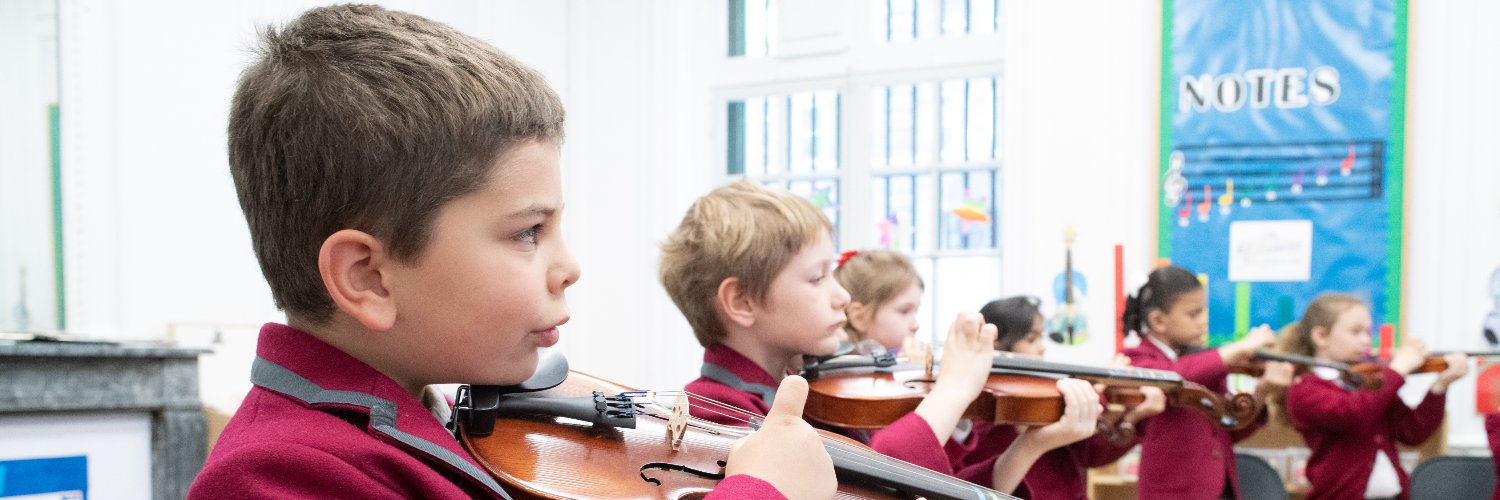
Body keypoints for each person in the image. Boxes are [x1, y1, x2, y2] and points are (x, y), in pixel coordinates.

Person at [189, 5, 832, 498]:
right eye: (528, 232)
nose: (570, 267)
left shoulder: (436, 415)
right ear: (368, 277)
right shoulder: (275, 475)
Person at [660, 190, 1102, 494]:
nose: (843, 295)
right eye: (817, 278)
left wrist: (1031, 444)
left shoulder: (814, 394)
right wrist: (950, 392)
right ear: (741, 301)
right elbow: (881, 484)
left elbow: (926, 492)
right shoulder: (713, 414)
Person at [943, 296, 1167, 499]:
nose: (1041, 348)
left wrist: (1130, 419)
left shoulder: (1043, 393)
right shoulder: (989, 408)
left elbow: (1089, 454)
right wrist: (1096, 392)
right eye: (1031, 339)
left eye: (1041, 337)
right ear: (997, 345)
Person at [1120, 265, 1294, 499]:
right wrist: (1240, 347)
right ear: (1158, 320)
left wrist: (1261, 392)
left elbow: (1227, 429)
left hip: (1221, 488)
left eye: (1203, 311)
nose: (1203, 321)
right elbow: (1173, 377)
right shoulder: (1138, 359)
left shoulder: (1201, 362)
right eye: (1193, 314)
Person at [1277, 293, 1468, 500]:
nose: (1366, 341)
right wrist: (1397, 369)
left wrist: (1440, 386)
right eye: (1355, 332)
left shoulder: (1367, 382)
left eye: (1368, 332)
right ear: (1321, 336)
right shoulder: (1304, 390)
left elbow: (1412, 433)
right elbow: (1351, 413)